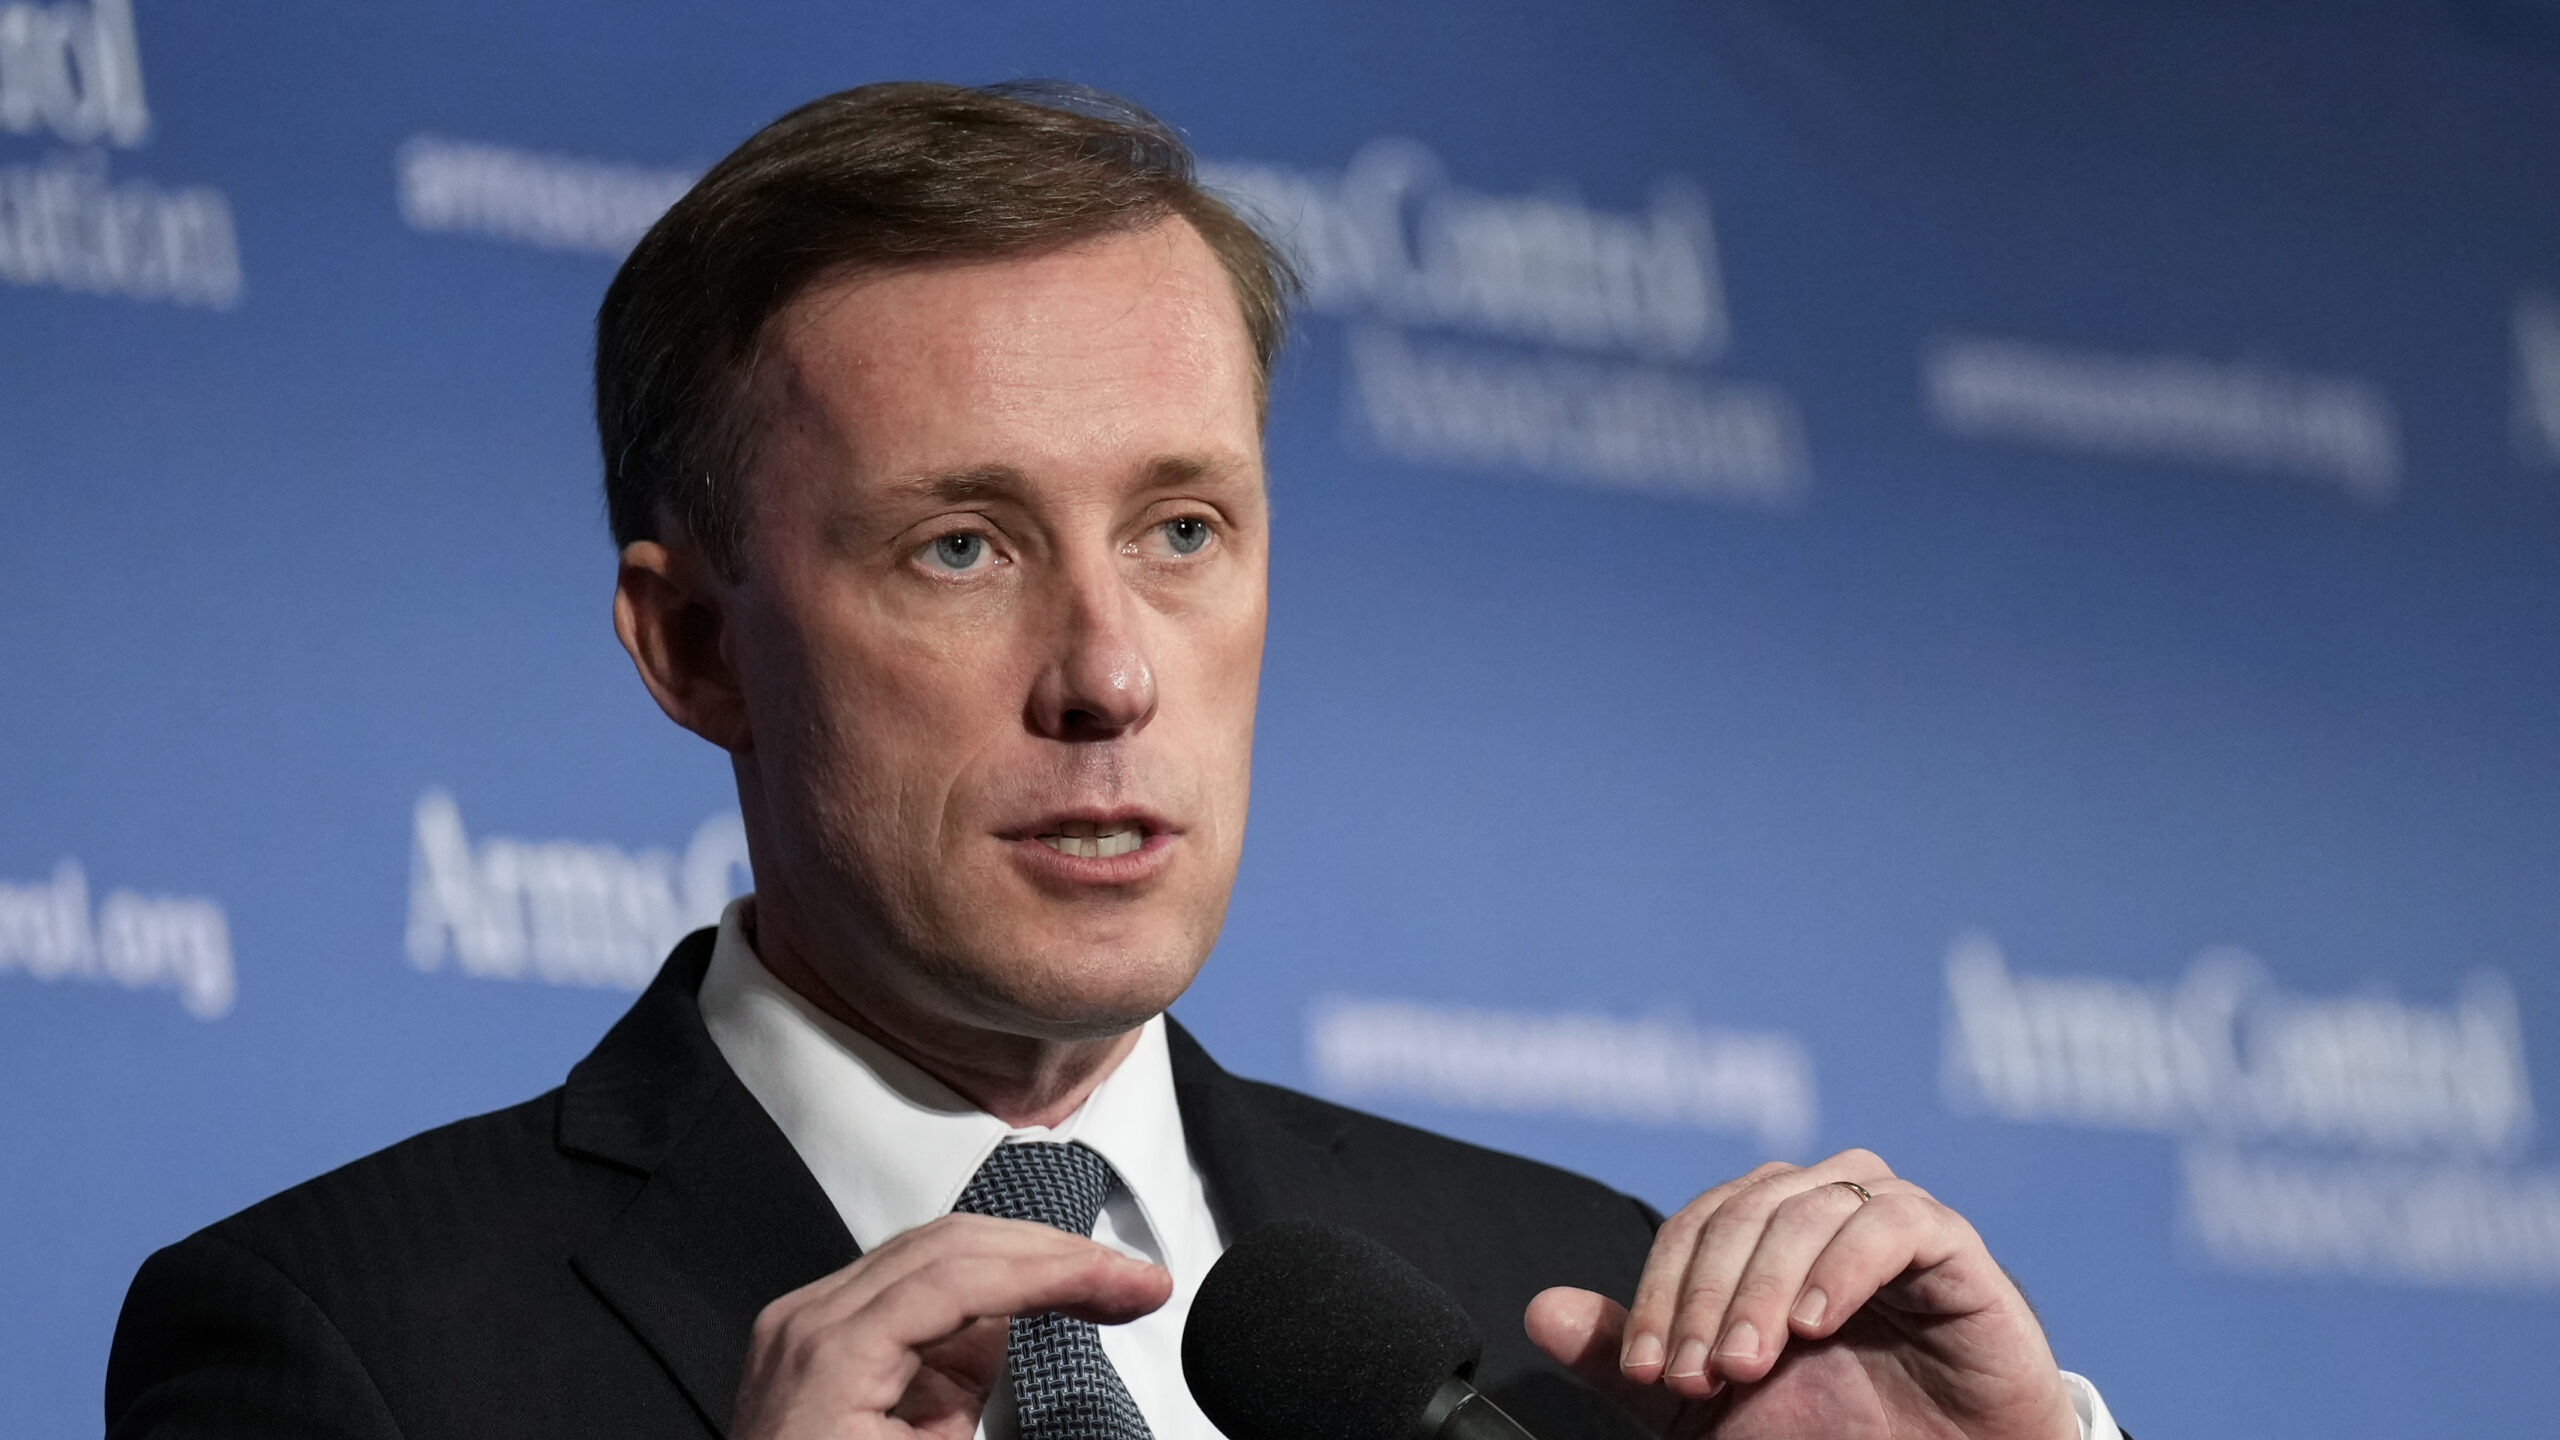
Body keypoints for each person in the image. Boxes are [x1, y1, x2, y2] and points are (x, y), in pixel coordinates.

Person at [105, 82, 2123, 1440]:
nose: (1107, 674)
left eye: (1180, 530)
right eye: (960, 547)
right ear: (697, 645)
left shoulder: (1579, 1321)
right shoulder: (339, 1348)